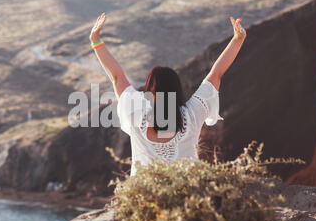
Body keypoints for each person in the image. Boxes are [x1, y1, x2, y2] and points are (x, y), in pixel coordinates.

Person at [90, 12, 246, 176]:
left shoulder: (136, 113)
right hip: (187, 196)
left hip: (143, 198)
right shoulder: (192, 114)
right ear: (177, 89)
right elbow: (215, 75)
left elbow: (117, 77)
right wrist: (237, 40)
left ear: (150, 90)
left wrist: (96, 41)